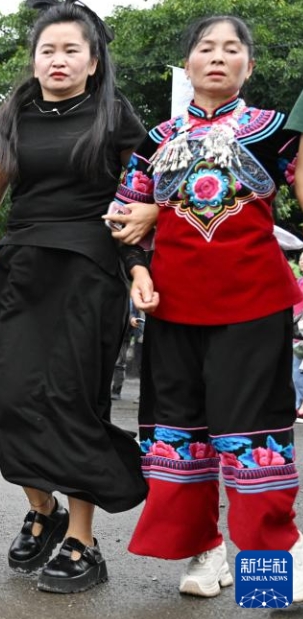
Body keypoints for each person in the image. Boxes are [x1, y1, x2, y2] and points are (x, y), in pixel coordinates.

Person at [110, 15, 302, 600]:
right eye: (205, 47)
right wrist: (139, 270)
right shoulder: (154, 141)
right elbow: (123, 219)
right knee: (183, 436)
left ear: (249, 65)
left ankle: (271, 578)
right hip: (171, 311)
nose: (218, 56)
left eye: (233, 48)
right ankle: (205, 551)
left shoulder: (275, 131)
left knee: (253, 438)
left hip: (254, 307)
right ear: (188, 63)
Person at [0, 1, 149, 594]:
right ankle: (44, 508)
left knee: (72, 402)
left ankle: (83, 544)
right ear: (34, 60)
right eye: (48, 50)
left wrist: (140, 267)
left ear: (93, 61)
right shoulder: (13, 114)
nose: (59, 59)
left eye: (72, 50)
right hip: (20, 266)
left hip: (88, 271)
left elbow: (144, 198)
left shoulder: (116, 116)